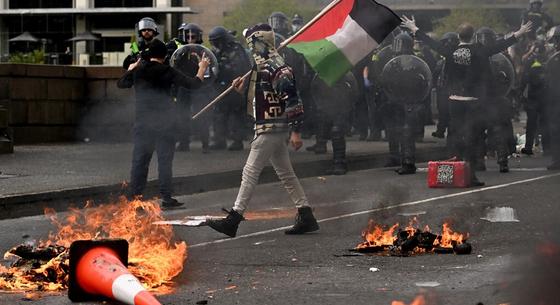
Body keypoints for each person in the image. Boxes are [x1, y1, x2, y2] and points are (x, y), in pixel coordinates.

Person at [207, 24, 319, 238]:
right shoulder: (266, 67)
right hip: (271, 127)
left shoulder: (277, 68)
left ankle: (233, 219)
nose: (250, 47)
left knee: (249, 173)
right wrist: (242, 90)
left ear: (258, 43)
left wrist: (296, 132)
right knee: (286, 174)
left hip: (270, 129)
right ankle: (306, 215)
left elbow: (293, 99)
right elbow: (263, 100)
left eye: (251, 42)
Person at [401, 16, 533, 186]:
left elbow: (431, 43)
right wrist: (520, 32)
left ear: (458, 36)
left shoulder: (450, 50)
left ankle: (449, 176)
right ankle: (470, 176)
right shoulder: (481, 50)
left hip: (454, 101)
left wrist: (414, 28)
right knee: (473, 138)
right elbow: (501, 44)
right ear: (473, 35)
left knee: (455, 136)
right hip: (473, 102)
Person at [117, 39, 210, 207]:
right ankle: (166, 198)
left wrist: (130, 69)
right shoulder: (168, 71)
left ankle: (135, 200)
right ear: (165, 55)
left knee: (140, 162)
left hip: (143, 124)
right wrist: (202, 68)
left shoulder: (139, 71)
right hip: (165, 125)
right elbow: (194, 84)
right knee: (165, 162)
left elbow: (121, 83)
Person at [208, 26, 252, 151]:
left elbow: (242, 68)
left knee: (235, 114)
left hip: (235, 86)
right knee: (219, 114)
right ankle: (219, 140)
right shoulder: (216, 51)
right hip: (219, 86)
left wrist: (225, 67)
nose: (215, 44)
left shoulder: (236, 49)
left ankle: (237, 141)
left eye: (217, 41)